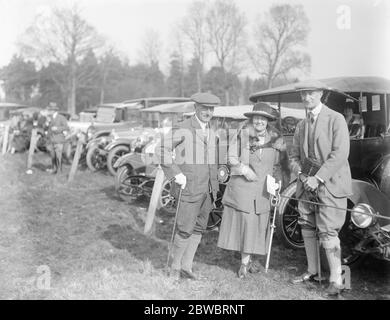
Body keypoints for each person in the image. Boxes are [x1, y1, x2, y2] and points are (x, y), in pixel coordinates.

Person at [289, 80, 353, 296]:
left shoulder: (336, 119)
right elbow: (294, 156)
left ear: (321, 95)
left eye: (311, 93)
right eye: (303, 94)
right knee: (306, 224)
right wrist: (301, 174)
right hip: (306, 185)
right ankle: (313, 271)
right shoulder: (301, 125)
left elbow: (340, 154)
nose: (306, 98)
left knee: (328, 230)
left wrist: (318, 178)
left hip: (330, 185)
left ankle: (337, 280)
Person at [155, 92, 220, 280]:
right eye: (204, 108)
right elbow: (161, 150)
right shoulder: (183, 127)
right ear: (195, 108)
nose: (208, 112)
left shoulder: (212, 131)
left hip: (208, 190)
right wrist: (176, 174)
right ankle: (174, 268)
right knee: (184, 228)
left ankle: (186, 266)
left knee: (199, 228)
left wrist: (215, 185)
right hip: (189, 188)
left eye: (211, 109)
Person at [217, 102, 285, 278]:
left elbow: (277, 165)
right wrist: (244, 169)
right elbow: (230, 158)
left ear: (268, 121)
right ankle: (244, 264)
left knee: (258, 226)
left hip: (263, 191)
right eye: (257, 118)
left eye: (263, 118)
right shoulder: (242, 136)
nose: (259, 121)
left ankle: (248, 259)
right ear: (252, 119)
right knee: (247, 224)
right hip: (243, 189)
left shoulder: (275, 140)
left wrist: (277, 183)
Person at [46, 102, 70, 174]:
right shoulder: (50, 118)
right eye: (49, 109)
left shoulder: (61, 117)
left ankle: (59, 171)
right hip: (51, 140)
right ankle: (54, 169)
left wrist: (57, 128)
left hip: (59, 140)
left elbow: (66, 127)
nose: (49, 111)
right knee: (53, 156)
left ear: (54, 110)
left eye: (50, 110)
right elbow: (49, 129)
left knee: (58, 156)